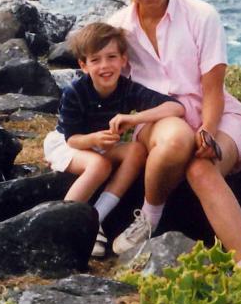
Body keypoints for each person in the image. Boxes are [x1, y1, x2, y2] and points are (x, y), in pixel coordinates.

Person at [109, 0, 241, 264]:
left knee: (201, 170)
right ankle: (149, 216)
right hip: (159, 121)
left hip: (214, 113)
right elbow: (105, 86)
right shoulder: (118, 28)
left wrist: (206, 129)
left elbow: (214, 90)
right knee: (176, 140)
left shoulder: (202, 16)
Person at [43, 21, 185, 257]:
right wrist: (94, 140)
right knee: (100, 165)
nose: (105, 66)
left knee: (136, 151)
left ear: (123, 59)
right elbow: (72, 139)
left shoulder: (127, 89)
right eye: (95, 60)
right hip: (71, 143)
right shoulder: (75, 92)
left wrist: (135, 118)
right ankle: (64, 223)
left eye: (111, 57)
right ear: (83, 65)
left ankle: (96, 217)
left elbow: (175, 108)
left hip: (100, 144)